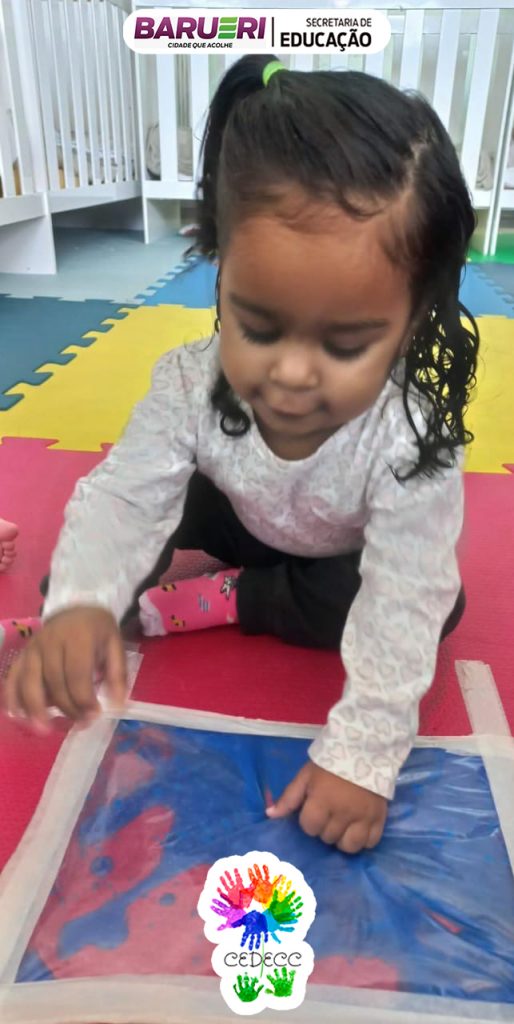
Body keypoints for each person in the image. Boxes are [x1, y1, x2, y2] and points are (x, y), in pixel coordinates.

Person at [2, 56, 478, 854]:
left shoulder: (409, 438)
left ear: (411, 322)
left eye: (346, 345)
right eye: (258, 326)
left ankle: (237, 598)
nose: (289, 375)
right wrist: (81, 603)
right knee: (109, 547)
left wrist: (362, 759)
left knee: (434, 608)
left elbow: (404, 596)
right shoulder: (190, 383)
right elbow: (125, 498)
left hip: (337, 547)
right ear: (223, 274)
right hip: (232, 507)